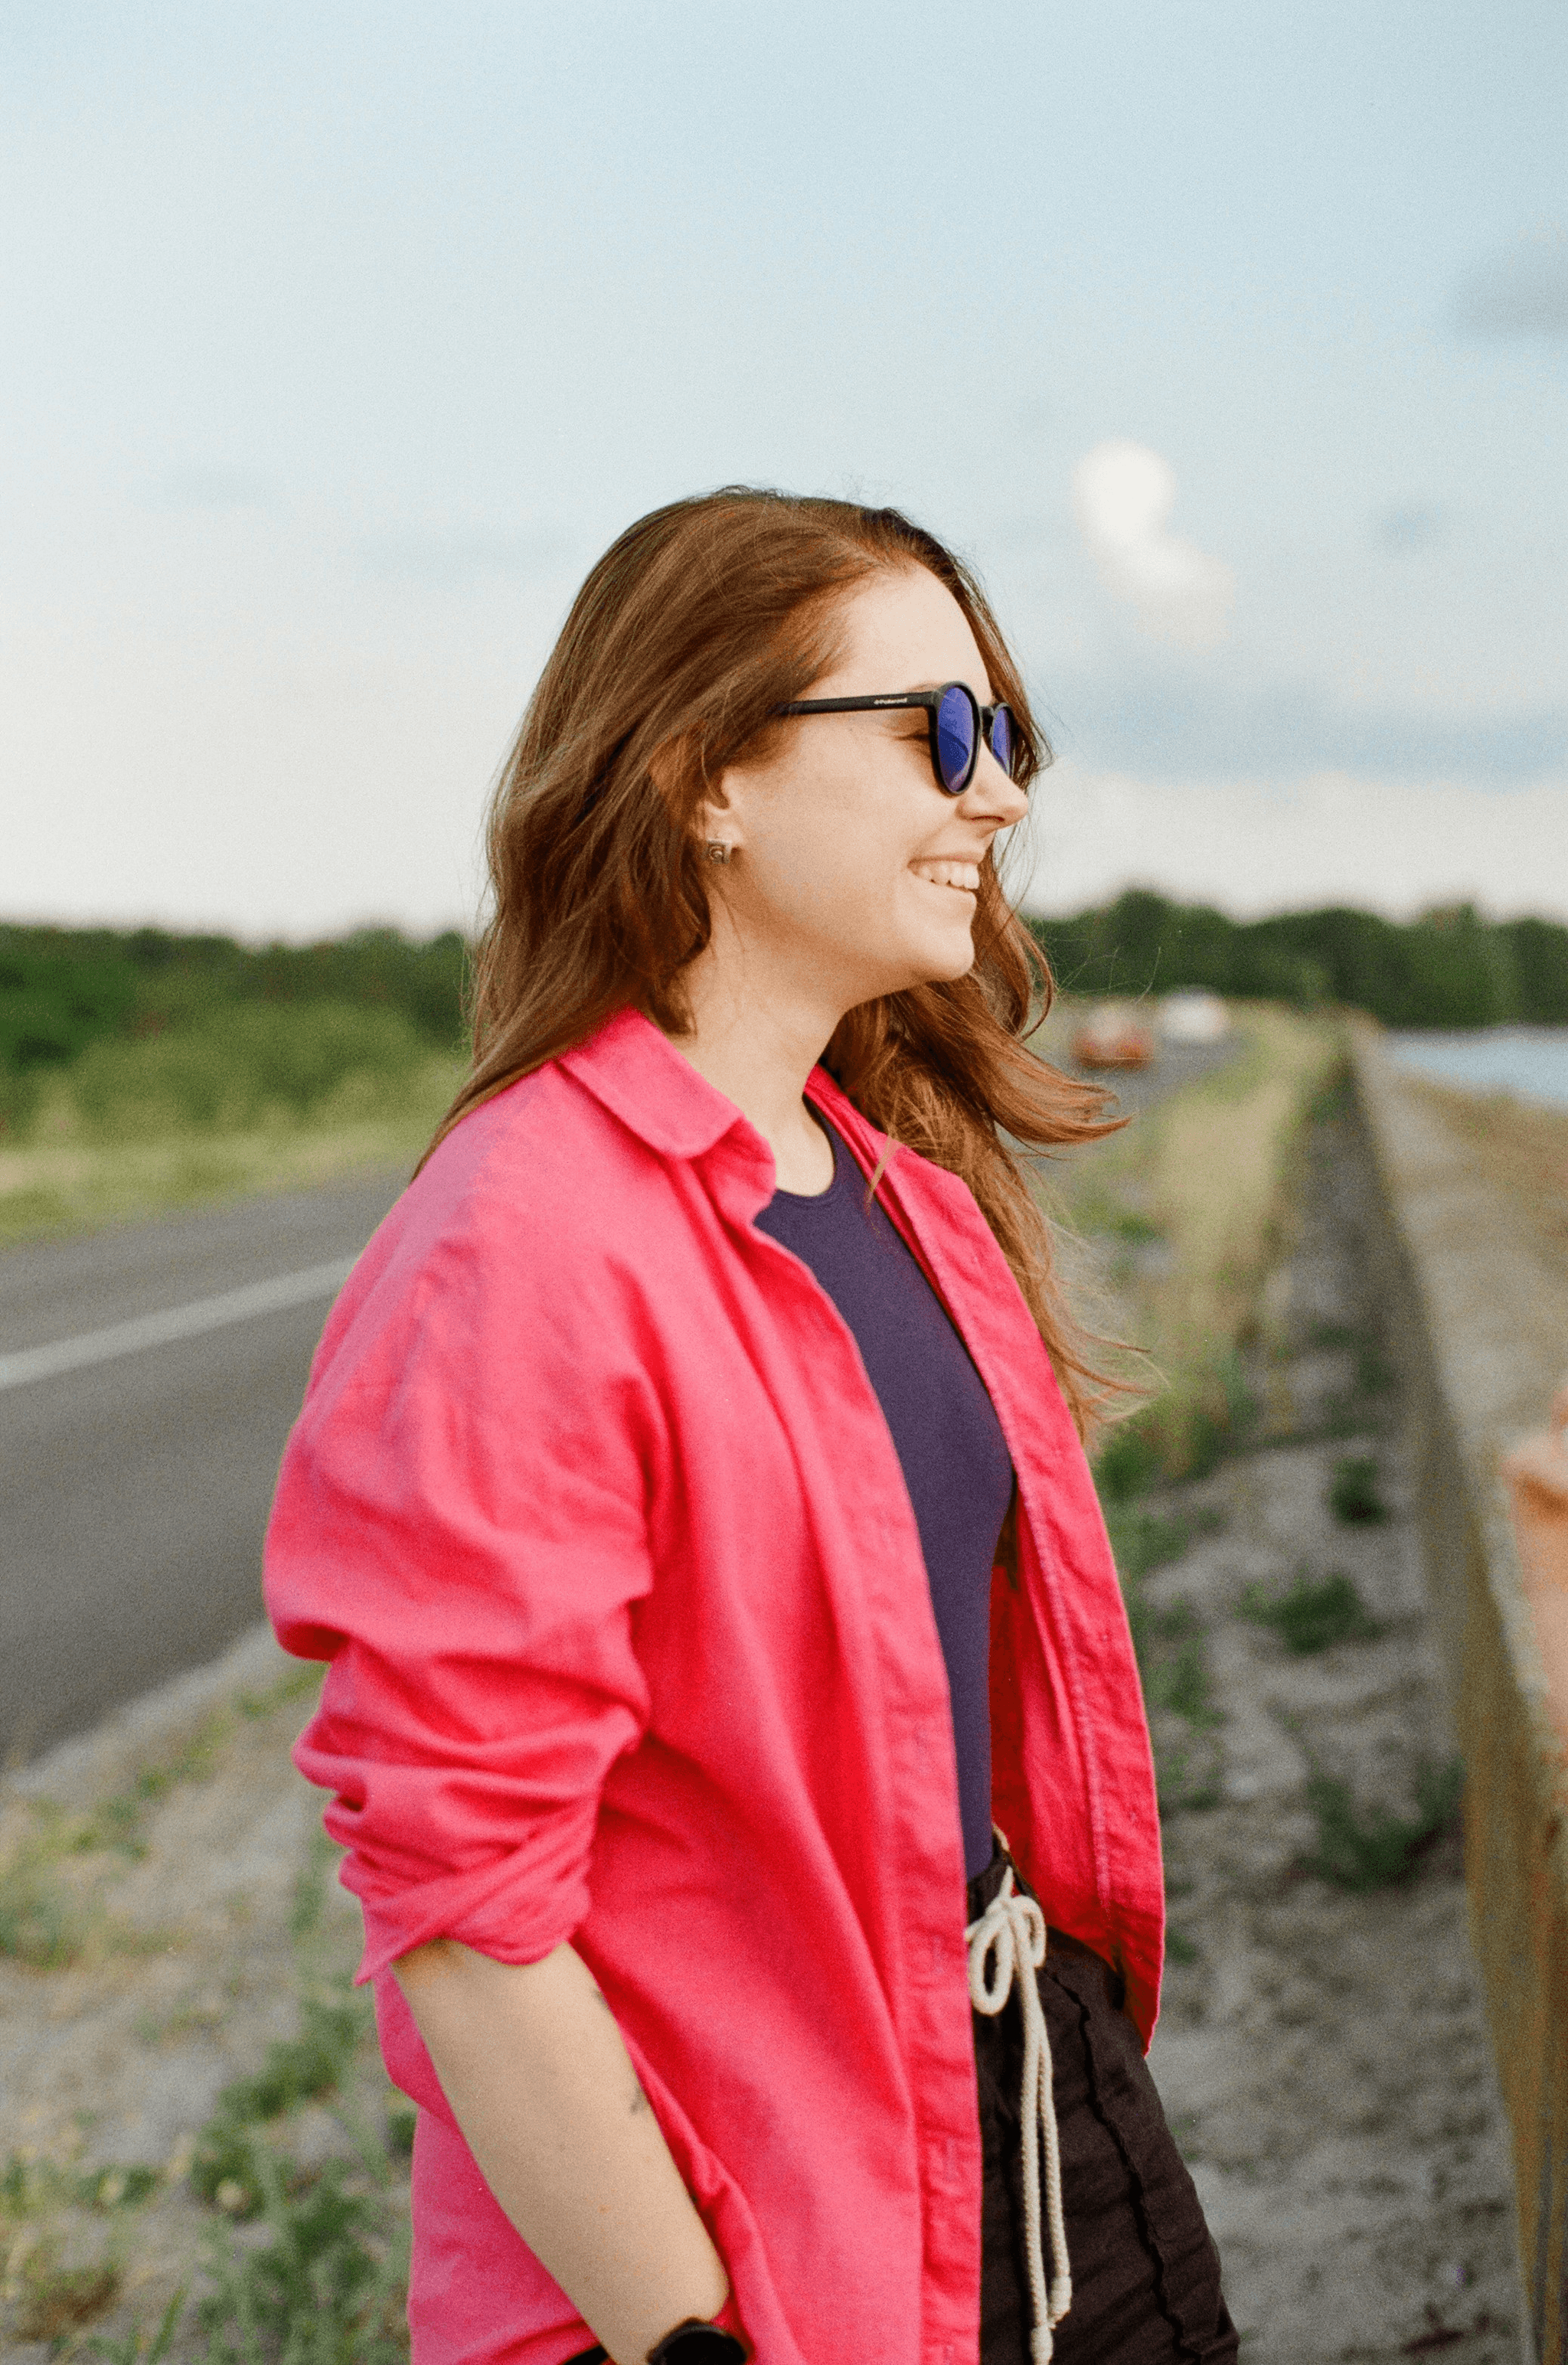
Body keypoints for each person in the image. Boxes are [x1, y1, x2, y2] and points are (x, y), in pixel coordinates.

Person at [264, 488, 1237, 2365]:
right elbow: (470, 1917)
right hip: (755, 2251)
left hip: (1028, 2115)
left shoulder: (898, 1195)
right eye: (940, 733)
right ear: (709, 772)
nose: (999, 795)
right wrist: (688, 2339)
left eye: (1008, 736)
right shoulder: (520, 1243)